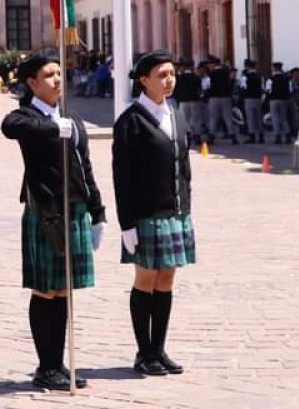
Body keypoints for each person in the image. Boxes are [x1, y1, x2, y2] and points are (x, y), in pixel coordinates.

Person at [1, 54, 105, 391]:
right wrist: (50, 127)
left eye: (60, 73)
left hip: (74, 208)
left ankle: (56, 362)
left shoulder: (71, 118)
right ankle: (45, 365)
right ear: (32, 83)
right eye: (49, 75)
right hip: (46, 210)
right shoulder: (29, 116)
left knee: (64, 290)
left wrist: (98, 210)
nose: (58, 79)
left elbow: (84, 165)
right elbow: (10, 125)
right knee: (45, 289)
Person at [112, 49, 195, 377]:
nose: (169, 80)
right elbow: (122, 177)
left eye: (172, 73)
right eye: (162, 75)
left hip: (174, 211)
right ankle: (143, 351)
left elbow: (184, 166)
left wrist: (186, 207)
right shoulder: (131, 121)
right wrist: (127, 224)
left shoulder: (175, 114)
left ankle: (159, 349)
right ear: (144, 81)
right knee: (145, 278)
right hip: (145, 213)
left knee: (167, 278)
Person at [206, 56, 239, 144]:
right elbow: (230, 84)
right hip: (226, 97)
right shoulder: (226, 72)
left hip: (214, 97)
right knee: (228, 117)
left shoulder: (211, 74)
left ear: (213, 64)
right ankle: (233, 136)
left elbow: (209, 86)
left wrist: (207, 95)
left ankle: (211, 136)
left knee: (214, 117)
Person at [173, 59, 203, 145]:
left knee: (184, 119)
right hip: (194, 100)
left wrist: (179, 98)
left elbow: (176, 90)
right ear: (192, 66)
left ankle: (186, 136)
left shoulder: (179, 78)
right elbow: (199, 89)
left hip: (183, 101)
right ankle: (197, 135)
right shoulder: (196, 77)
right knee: (196, 119)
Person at [239, 59, 265, 144]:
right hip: (258, 98)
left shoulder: (245, 76)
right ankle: (261, 136)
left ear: (247, 66)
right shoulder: (260, 76)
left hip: (249, 98)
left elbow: (243, 88)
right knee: (258, 118)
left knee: (250, 118)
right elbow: (263, 88)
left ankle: (252, 136)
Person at [266, 62, 292, 144]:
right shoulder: (285, 78)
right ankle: (287, 135)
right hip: (283, 100)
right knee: (284, 118)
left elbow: (268, 90)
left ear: (274, 68)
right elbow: (290, 90)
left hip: (273, 100)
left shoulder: (271, 79)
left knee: (275, 118)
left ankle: (278, 136)